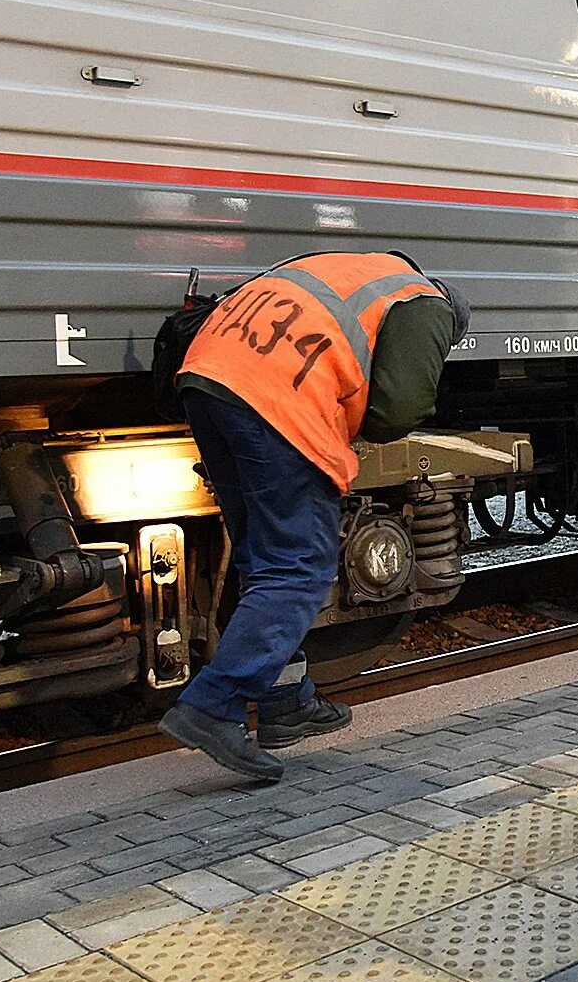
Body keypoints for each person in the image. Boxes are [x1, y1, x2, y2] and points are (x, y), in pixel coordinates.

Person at [158, 251, 470, 780]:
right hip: (275, 401)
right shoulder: (428, 303)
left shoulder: (348, 269)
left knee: (263, 561)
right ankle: (213, 706)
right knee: (299, 566)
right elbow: (396, 411)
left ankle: (286, 702)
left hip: (205, 380)